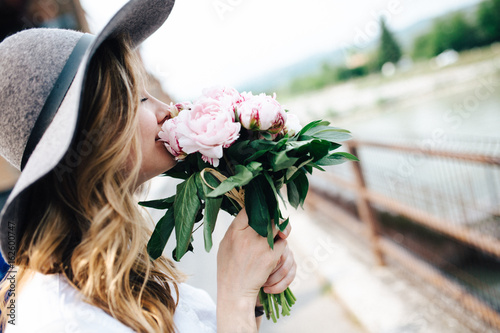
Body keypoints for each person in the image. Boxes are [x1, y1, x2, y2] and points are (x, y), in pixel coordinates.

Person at [0, 0, 296, 332]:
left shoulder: (122, 264)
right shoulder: (61, 320)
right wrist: (236, 293)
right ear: (91, 137)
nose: (167, 110)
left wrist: (252, 292)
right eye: (139, 99)